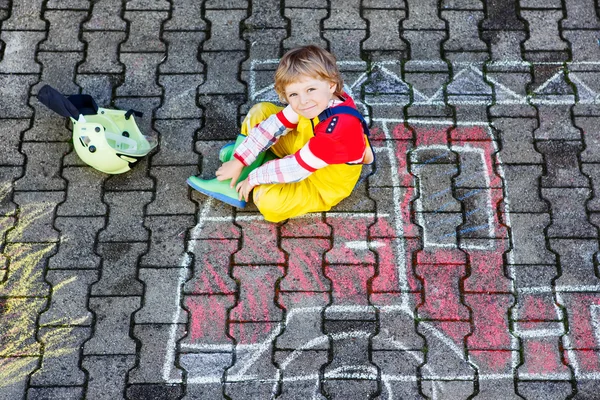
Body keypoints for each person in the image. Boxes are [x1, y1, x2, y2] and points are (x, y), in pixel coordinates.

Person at [187, 45, 373, 222]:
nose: (303, 101)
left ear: (331, 85)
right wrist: (240, 159)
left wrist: (253, 178)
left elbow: (295, 167)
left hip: (319, 183)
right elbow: (274, 124)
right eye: (293, 94)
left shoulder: (339, 129)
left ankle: (253, 169)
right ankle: (247, 163)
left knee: (269, 202)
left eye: (310, 89)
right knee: (260, 112)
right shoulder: (317, 101)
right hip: (303, 146)